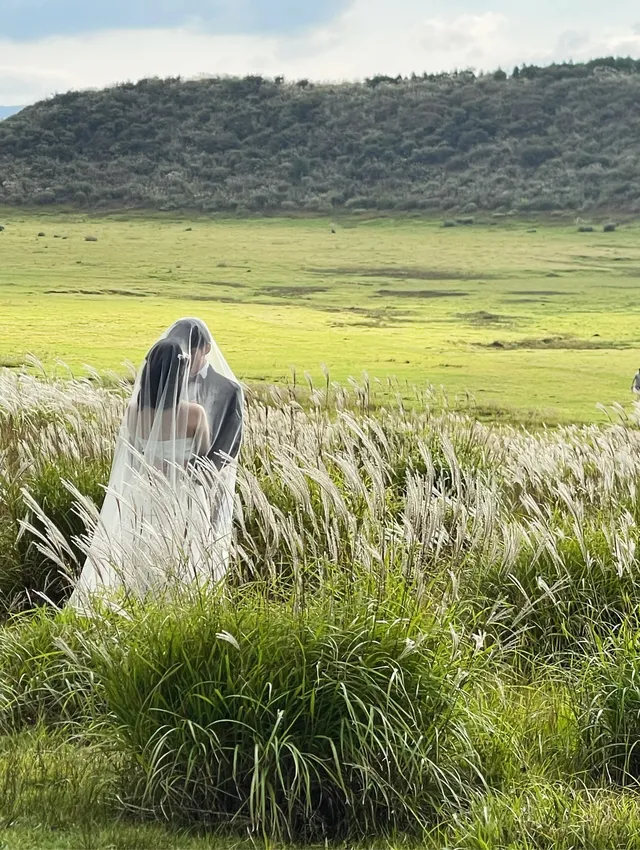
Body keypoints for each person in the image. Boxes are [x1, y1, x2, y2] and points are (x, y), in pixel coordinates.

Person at [69, 326, 241, 610]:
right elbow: (204, 457)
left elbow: (133, 459)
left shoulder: (133, 415)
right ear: (179, 374)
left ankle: (142, 609)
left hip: (144, 498)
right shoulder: (195, 414)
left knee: (144, 561)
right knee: (185, 564)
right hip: (184, 500)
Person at [163, 318, 243, 468]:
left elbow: (230, 444)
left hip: (205, 480)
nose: (187, 359)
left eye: (192, 352)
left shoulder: (228, 389)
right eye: (182, 353)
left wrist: (194, 475)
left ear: (206, 348)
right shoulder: (164, 384)